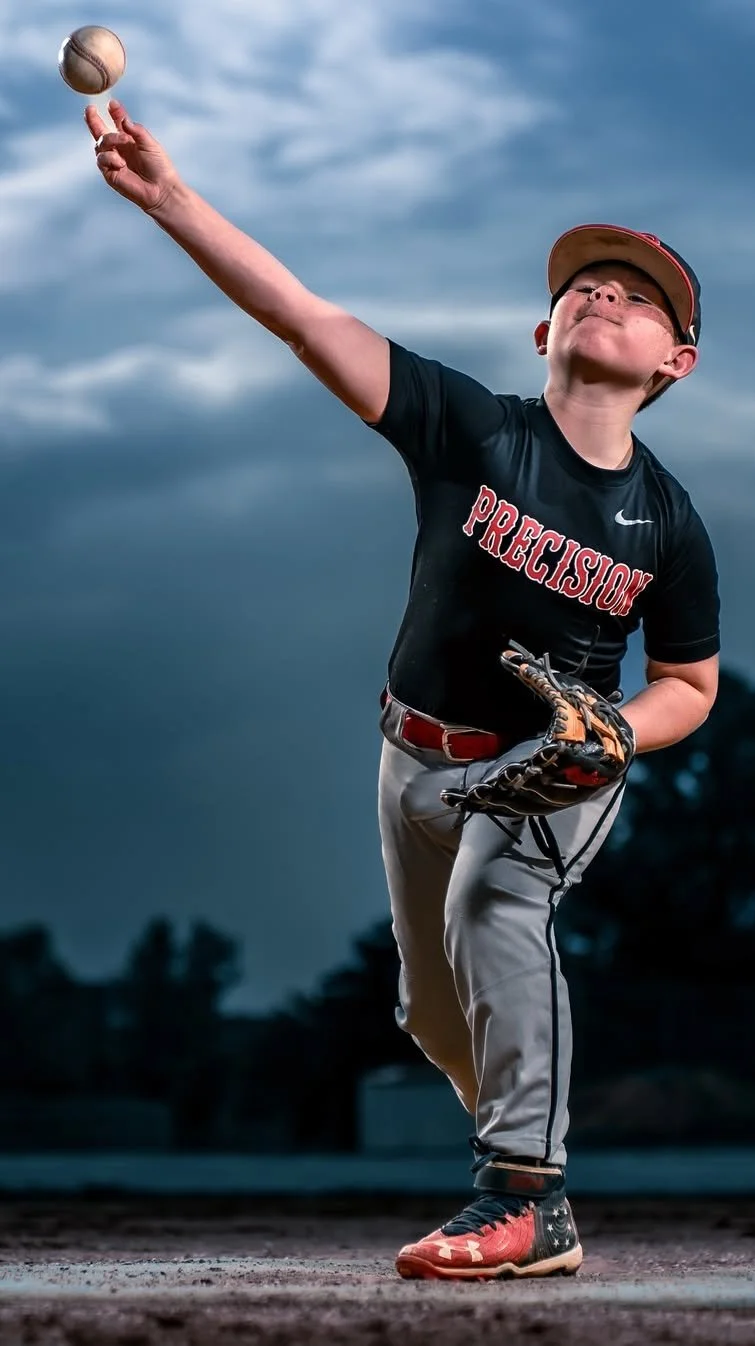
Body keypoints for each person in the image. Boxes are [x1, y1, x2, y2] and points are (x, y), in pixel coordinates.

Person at [87, 98, 721, 1281]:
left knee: (496, 909)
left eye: (638, 297)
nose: (605, 295)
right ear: (542, 329)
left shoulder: (667, 522)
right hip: (418, 758)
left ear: (673, 361)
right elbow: (304, 315)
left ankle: (521, 1197)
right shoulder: (472, 430)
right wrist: (170, 199)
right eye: (585, 283)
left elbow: (691, 682)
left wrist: (619, 731)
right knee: (433, 1014)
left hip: (553, 766)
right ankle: (545, 1166)